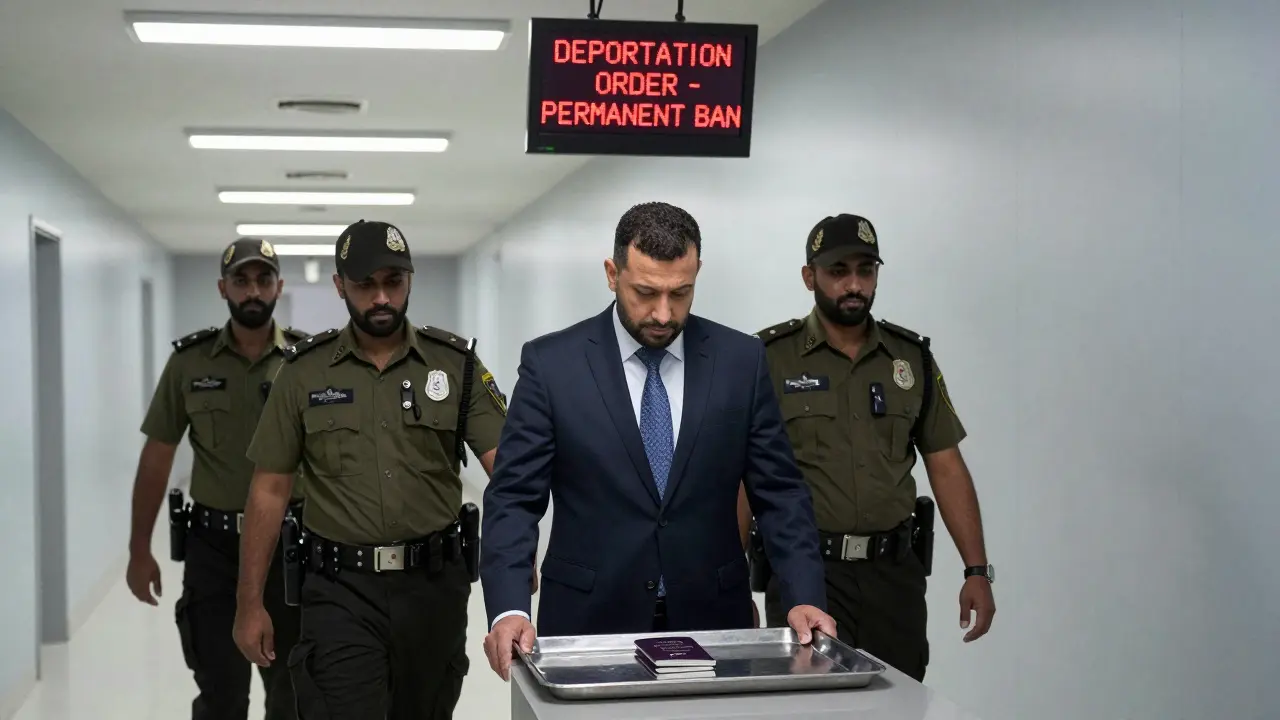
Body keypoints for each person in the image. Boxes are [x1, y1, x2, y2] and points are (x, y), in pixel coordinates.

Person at [480, 201, 835, 681]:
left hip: (712, 618)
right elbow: (514, 498)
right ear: (612, 274)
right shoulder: (552, 365)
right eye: (645, 293)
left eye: (680, 293)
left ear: (697, 273)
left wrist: (804, 595)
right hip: (588, 622)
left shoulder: (741, 361)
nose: (663, 314)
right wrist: (508, 608)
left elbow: (780, 493)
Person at [232, 220, 508, 720]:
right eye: (365, 285)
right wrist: (249, 602)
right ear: (340, 286)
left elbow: (508, 474)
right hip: (340, 590)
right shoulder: (302, 372)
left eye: (393, 282)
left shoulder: (454, 365)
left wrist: (515, 553)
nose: (381, 298)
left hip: (433, 587)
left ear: (410, 279)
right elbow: (269, 490)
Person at [743, 213, 996, 682]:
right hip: (808, 575)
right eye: (838, 271)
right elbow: (742, 478)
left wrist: (976, 570)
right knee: (812, 707)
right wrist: (734, 585)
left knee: (899, 700)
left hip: (893, 577)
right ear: (809, 277)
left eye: (865, 270)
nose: (854, 284)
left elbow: (945, 464)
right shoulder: (769, 359)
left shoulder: (911, 359)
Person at [126, 237, 308, 720]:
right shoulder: (190, 363)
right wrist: (138, 549)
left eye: (264, 279)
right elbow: (157, 457)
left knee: (292, 696)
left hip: (290, 549)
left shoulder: (306, 360)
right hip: (213, 550)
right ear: (223, 288)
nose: (253, 291)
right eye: (241, 280)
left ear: (279, 287)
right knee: (220, 695)